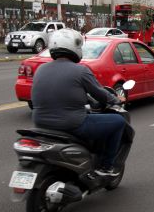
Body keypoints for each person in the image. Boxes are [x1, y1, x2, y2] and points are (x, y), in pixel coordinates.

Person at [31, 29, 127, 176]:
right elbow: (100, 93)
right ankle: (106, 167)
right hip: (71, 124)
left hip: (40, 123)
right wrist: (116, 99)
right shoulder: (81, 70)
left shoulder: (41, 69)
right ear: (74, 47)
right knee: (118, 121)